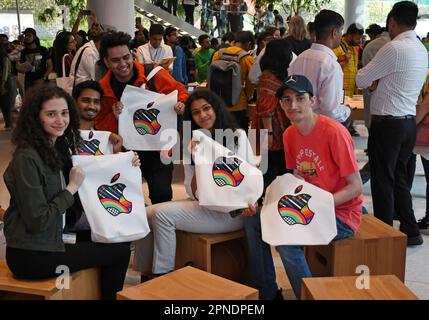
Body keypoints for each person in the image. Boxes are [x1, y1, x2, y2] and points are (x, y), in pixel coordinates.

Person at [2, 84, 133, 300]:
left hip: (53, 240)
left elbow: (91, 173)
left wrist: (125, 163)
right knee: (118, 252)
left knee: (114, 243)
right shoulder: (27, 157)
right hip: (31, 255)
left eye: (64, 113)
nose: (60, 120)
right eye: (51, 114)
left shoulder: (55, 147)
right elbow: (38, 220)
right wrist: (71, 188)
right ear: (36, 118)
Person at [133, 90, 255, 278]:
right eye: (196, 112)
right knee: (144, 215)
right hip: (206, 206)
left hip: (233, 212)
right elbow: (192, 192)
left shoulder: (237, 136)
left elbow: (247, 181)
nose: (203, 115)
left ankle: (163, 276)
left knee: (163, 216)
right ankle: (146, 274)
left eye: (206, 108)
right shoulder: (192, 142)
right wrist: (199, 160)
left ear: (216, 108)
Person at [276, 74, 363, 298]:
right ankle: (267, 289)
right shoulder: (289, 135)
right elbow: (299, 176)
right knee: (257, 222)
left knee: (285, 240)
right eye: (286, 99)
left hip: (342, 214)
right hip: (312, 207)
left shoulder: (334, 132)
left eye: (300, 98)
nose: (293, 105)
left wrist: (320, 203)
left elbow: (355, 187)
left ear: (312, 101)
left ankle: (309, 296)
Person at [356, 1, 428, 246]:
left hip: (388, 125)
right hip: (408, 123)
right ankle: (410, 230)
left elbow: (362, 77)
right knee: (398, 178)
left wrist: (375, 80)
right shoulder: (421, 48)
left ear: (392, 22)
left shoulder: (393, 48)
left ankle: (384, 237)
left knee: (382, 181)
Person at [94, 31, 188, 205]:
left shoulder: (154, 74)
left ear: (132, 55)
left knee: (162, 195)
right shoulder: (103, 89)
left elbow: (181, 92)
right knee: (129, 199)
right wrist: (114, 117)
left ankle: (161, 229)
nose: (122, 64)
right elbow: (99, 125)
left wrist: (181, 104)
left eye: (125, 57)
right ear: (106, 62)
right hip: (125, 152)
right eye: (115, 60)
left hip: (158, 148)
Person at [288, 10, 351, 124]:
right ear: (334, 33)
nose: (341, 35)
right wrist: (347, 110)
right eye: (341, 31)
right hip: (319, 129)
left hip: (297, 127)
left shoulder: (298, 59)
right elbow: (331, 111)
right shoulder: (331, 65)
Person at [212, 31, 255, 130]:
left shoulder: (218, 54)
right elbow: (251, 82)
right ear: (248, 44)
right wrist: (248, 97)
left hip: (218, 102)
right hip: (238, 104)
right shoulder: (247, 58)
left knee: (220, 137)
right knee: (239, 138)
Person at [72, 80, 123, 152]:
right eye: (86, 100)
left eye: (96, 102)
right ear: (74, 102)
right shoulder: (64, 135)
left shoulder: (107, 140)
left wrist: (116, 152)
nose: (91, 106)